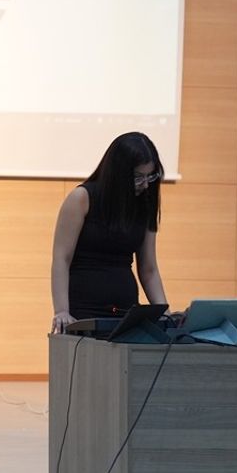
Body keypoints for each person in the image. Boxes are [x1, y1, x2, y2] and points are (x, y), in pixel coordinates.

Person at [50, 132, 168, 333]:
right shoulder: (82, 198)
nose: (146, 184)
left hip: (126, 311)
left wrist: (164, 313)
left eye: (151, 176)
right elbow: (62, 258)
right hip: (83, 311)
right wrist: (61, 311)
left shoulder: (145, 202)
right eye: (138, 177)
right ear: (118, 173)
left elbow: (149, 269)